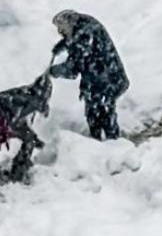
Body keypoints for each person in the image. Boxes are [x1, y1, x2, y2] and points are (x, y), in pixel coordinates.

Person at [49, 9, 128, 140]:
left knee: (102, 115)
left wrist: (53, 71)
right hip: (103, 80)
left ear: (69, 23)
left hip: (106, 81)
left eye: (61, 28)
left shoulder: (84, 35)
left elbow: (73, 68)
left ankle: (111, 146)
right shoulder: (86, 25)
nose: (60, 32)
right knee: (96, 113)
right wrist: (61, 46)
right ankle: (103, 143)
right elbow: (75, 41)